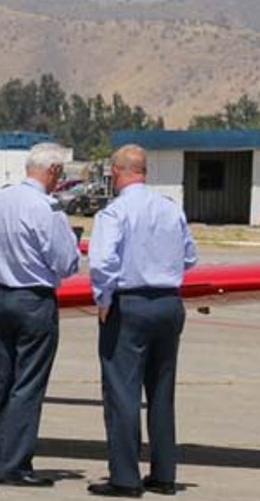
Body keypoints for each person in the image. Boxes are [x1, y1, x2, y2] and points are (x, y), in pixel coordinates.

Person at [86, 144, 197, 498]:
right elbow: (190, 256)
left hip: (130, 304)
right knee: (162, 391)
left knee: (122, 393)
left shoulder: (114, 212)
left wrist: (104, 299)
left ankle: (124, 477)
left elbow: (102, 262)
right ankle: (164, 474)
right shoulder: (170, 208)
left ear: (117, 171)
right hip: (168, 303)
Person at [0, 142, 80, 487]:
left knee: (4, 381)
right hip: (33, 300)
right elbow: (65, 263)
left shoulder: (2, 198)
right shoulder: (47, 207)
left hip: (1, 296)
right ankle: (16, 465)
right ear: (53, 171)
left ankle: (1, 460)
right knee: (28, 384)